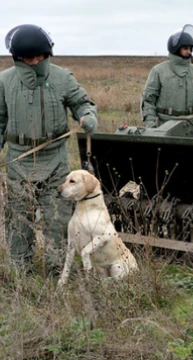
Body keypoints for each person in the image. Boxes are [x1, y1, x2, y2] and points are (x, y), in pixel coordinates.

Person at [0, 24, 98, 271]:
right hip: (19, 164)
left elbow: (82, 103)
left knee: (59, 221)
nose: (34, 62)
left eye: (39, 56)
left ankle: (59, 273)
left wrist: (87, 116)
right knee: (18, 222)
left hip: (56, 164)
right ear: (18, 58)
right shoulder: (4, 81)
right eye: (28, 57)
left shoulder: (63, 77)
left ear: (47, 54)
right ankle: (21, 273)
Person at [141, 24, 193, 128]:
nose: (189, 51)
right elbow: (148, 100)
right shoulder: (159, 71)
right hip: (165, 126)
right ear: (176, 48)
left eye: (191, 48)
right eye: (185, 48)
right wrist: (151, 127)